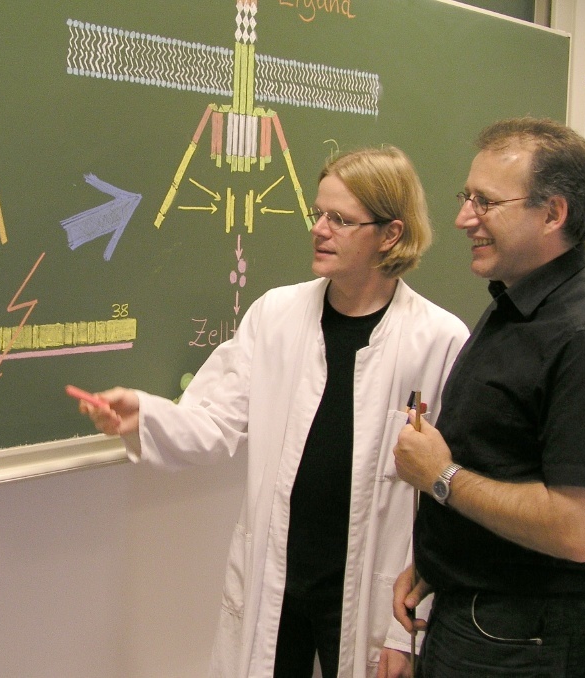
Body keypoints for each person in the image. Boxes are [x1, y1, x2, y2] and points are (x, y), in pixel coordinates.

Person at [75, 146, 469, 678]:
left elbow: (446, 504)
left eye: (340, 219)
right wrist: (143, 415)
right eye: (318, 213)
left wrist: (405, 632)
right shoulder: (276, 315)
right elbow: (214, 420)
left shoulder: (438, 340)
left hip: (372, 586)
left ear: (390, 234)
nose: (319, 229)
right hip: (280, 578)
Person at [391, 117, 585, 678]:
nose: (465, 218)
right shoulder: (518, 307)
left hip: (524, 636)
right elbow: (504, 459)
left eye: (486, 202)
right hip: (482, 611)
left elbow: (576, 529)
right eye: (467, 197)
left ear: (553, 214)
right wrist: (444, 560)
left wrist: (440, 477)